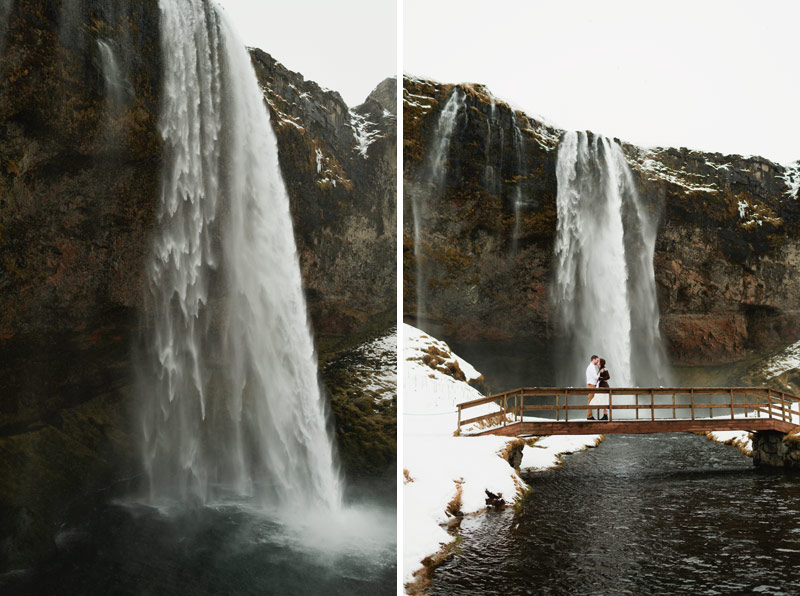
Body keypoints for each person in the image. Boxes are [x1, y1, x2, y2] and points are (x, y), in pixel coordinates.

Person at [585, 355, 599, 420]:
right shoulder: (591, 367)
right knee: (590, 400)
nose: (597, 361)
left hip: (591, 385)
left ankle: (590, 415)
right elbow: (596, 377)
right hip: (591, 385)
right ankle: (589, 416)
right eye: (597, 360)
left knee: (590, 400)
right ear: (593, 359)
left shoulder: (591, 366)